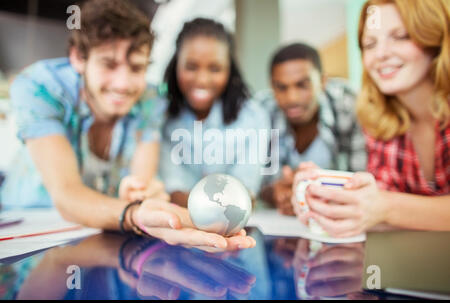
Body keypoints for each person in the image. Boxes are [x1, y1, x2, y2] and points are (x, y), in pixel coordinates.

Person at [0, 0, 255, 250]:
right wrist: (135, 212)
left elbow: (142, 184)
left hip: (105, 231)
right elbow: (67, 194)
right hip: (29, 231)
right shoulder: (38, 87)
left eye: (136, 68)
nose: (123, 83)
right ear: (78, 58)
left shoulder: (150, 99)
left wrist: (144, 196)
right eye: (109, 64)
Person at [292, 0, 450, 237]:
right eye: (369, 44)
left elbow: (385, 207)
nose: (381, 54)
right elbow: (377, 209)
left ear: (436, 40)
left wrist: (385, 207)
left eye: (401, 36)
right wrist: (324, 196)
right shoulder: (379, 122)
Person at [159, 18, 271, 208]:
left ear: (229, 70)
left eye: (215, 68)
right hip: (178, 226)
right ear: (176, 65)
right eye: (191, 67)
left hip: (232, 228)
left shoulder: (254, 117)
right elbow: (171, 190)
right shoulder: (161, 117)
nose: (202, 80)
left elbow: (244, 193)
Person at [258, 43, 366, 215]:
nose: (292, 98)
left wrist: (317, 192)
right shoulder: (260, 111)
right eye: (281, 87)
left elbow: (364, 179)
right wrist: (278, 193)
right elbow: (253, 184)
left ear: (323, 81)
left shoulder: (349, 103)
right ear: (272, 86)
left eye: (302, 85)